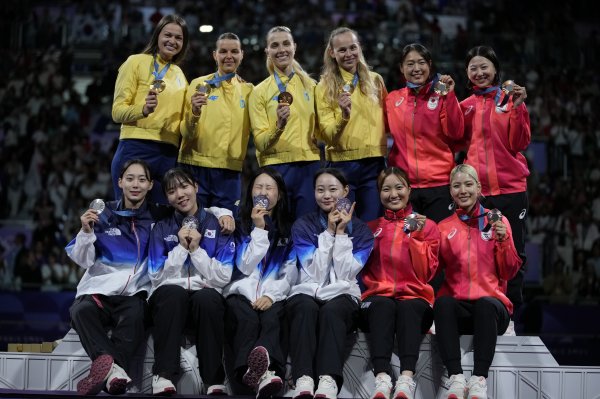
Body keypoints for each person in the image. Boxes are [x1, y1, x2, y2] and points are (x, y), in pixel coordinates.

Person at [66, 159, 160, 396]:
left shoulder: (159, 217)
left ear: (150, 185)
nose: (135, 184)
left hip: (134, 295)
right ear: (120, 182)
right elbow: (83, 260)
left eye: (141, 179)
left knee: (137, 315)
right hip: (98, 291)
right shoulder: (103, 213)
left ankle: (109, 370)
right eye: (129, 179)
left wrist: (221, 214)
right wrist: (86, 232)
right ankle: (115, 371)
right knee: (80, 311)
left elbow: (189, 208)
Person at [434, 164, 522, 399]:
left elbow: (510, 271)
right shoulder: (443, 228)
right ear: (450, 192)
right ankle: (455, 377)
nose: (463, 190)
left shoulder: (497, 221)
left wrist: (504, 241)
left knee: (485, 304)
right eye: (456, 185)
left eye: (468, 184)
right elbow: (429, 272)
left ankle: (479, 379)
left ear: (479, 187)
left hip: (493, 308)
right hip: (459, 308)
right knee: (442, 304)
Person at [147, 168, 236, 396]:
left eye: (184, 186)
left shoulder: (220, 224)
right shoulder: (161, 227)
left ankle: (214, 380)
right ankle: (164, 375)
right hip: (170, 300)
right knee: (172, 294)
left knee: (208, 299)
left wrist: (196, 251)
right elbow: (156, 276)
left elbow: (223, 277)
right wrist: (180, 248)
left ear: (196, 187)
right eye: (171, 191)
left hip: (204, 297)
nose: (180, 194)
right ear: (166, 197)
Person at [287, 168, 374, 399]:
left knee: (333, 311)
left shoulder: (363, 231)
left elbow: (346, 273)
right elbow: (314, 272)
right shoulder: (302, 226)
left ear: (345, 191)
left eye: (333, 189)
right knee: (304, 307)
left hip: (344, 293)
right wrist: (328, 231)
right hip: (308, 289)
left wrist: (342, 232)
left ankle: (328, 379)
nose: (326, 195)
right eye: (320, 190)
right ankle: (303, 378)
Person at [460, 45, 531, 331]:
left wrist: (517, 108)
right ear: (467, 73)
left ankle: (510, 316)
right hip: (479, 193)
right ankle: (480, 313)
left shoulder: (510, 99)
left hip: (511, 189)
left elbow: (520, 142)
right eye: (473, 68)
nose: (479, 72)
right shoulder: (464, 106)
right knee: (479, 254)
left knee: (514, 252)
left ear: (495, 69)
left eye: (484, 66)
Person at [360, 167, 440, 399]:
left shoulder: (428, 226)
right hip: (378, 298)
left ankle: (406, 378)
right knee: (384, 305)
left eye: (399, 187)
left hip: (416, 298)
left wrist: (415, 235)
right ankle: (382, 377)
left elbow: (426, 273)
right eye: (386, 189)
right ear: (379, 193)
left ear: (409, 190)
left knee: (407, 307)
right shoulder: (370, 229)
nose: (393, 194)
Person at [223, 167, 297, 398]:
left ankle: (261, 372)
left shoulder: (290, 228)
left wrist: (272, 296)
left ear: (280, 194)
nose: (263, 192)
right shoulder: (239, 224)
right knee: (246, 319)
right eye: (258, 187)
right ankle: (258, 374)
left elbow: (290, 272)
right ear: (250, 191)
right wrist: (259, 229)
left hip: (273, 294)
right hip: (240, 293)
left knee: (273, 317)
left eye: (269, 188)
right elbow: (244, 266)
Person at [111, 14, 189, 204]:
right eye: (167, 35)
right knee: (129, 216)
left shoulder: (180, 75)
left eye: (179, 38)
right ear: (157, 36)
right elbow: (117, 112)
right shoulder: (135, 62)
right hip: (135, 147)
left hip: (168, 154)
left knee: (161, 219)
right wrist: (142, 110)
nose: (172, 41)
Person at [386, 43, 464, 223]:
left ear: (429, 65)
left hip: (439, 185)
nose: (416, 69)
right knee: (408, 247)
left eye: (421, 63)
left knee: (440, 244)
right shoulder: (392, 99)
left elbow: (456, 132)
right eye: (410, 64)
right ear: (401, 68)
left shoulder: (441, 95)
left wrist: (450, 96)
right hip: (404, 187)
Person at [315, 27, 387, 221]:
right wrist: (343, 117)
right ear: (332, 53)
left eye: (352, 48)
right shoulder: (323, 87)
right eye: (342, 50)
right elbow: (327, 135)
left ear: (359, 48)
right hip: (341, 167)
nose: (349, 54)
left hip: (374, 165)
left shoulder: (376, 81)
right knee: (343, 226)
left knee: (374, 224)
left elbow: (390, 122)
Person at [249, 26, 321, 218]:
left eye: (286, 43)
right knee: (276, 231)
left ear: (294, 47)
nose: (281, 49)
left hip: (308, 166)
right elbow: (260, 142)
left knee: (307, 230)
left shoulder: (312, 87)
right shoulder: (259, 92)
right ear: (267, 51)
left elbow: (321, 131)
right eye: (275, 45)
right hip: (275, 169)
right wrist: (278, 126)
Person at [178, 32, 253, 212]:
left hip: (229, 170)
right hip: (194, 167)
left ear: (242, 55)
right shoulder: (198, 84)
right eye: (223, 51)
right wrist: (194, 113)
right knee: (192, 225)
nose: (229, 56)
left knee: (226, 227)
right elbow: (185, 133)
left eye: (234, 51)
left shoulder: (250, 90)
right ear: (215, 55)